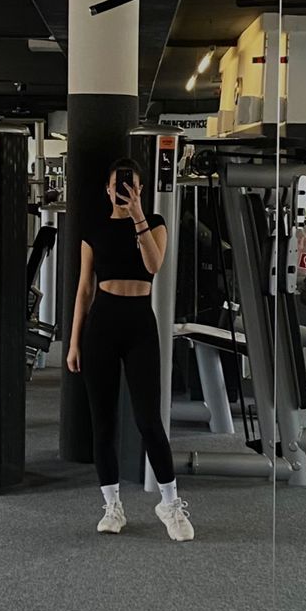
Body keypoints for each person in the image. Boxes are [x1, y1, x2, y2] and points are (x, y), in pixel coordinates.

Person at [66, 157, 194, 542]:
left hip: (139, 322)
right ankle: (112, 505)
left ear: (140, 189)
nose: (124, 191)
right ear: (108, 189)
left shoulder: (154, 223)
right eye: (119, 186)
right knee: (102, 422)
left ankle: (170, 505)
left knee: (148, 421)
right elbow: (84, 289)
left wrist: (137, 215)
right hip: (102, 323)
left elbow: (154, 266)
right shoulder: (93, 229)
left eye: (132, 186)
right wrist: (73, 342)